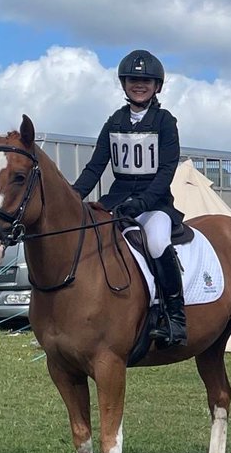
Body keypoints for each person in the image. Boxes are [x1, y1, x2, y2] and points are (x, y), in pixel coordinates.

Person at [72, 50, 186, 346]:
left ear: (157, 86)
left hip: (154, 205)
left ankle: (175, 318)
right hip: (118, 203)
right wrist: (73, 197)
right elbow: (95, 167)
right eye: (134, 79)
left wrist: (145, 202)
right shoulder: (114, 122)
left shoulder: (164, 121)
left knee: (158, 242)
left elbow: (166, 170)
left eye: (146, 80)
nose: (140, 84)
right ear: (124, 84)